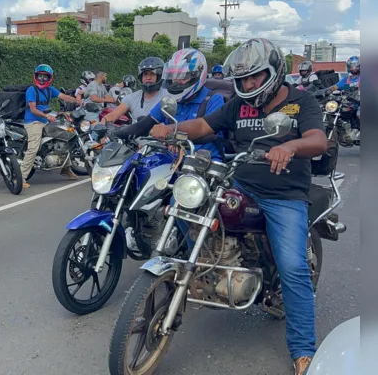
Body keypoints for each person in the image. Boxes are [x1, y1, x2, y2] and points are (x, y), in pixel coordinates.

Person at [149, 38, 328, 375]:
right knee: (189, 207)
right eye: (242, 79)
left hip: (284, 195)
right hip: (240, 182)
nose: (247, 85)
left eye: (254, 78)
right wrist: (172, 129)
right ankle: (198, 273)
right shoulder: (238, 105)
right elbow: (204, 126)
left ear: (272, 73)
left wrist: (290, 146)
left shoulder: (300, 101)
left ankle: (304, 350)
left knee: (292, 267)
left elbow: (318, 140)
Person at [111, 48, 226, 161]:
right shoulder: (169, 100)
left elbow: (208, 132)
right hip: (170, 160)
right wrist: (116, 134)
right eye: (173, 76)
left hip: (202, 163)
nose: (176, 81)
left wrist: (172, 134)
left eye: (183, 76)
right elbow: (145, 124)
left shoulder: (213, 100)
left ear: (198, 74)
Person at [20, 64, 79, 189]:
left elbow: (64, 97)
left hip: (47, 120)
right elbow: (33, 109)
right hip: (33, 122)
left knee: (63, 138)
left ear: (49, 78)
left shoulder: (49, 90)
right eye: (40, 76)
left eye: (45, 77)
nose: (42, 79)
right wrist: (47, 116)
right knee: (33, 148)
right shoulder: (32, 90)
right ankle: (21, 177)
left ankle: (65, 169)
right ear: (36, 76)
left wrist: (77, 101)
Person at [101, 57, 168, 123]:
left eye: (152, 74)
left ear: (159, 76)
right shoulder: (132, 97)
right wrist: (102, 122)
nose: (148, 78)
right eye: (145, 74)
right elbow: (114, 114)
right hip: (134, 133)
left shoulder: (168, 97)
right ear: (141, 76)